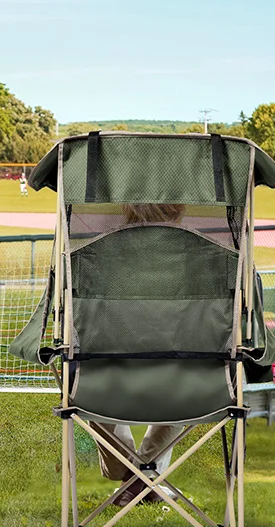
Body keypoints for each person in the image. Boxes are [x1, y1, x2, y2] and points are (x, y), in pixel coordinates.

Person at [94, 203, 189, 506]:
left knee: (85, 382)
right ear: (177, 215)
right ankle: (146, 476)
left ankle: (136, 477)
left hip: (111, 382)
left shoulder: (96, 260)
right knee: (195, 377)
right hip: (187, 387)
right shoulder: (201, 265)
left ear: (128, 214)